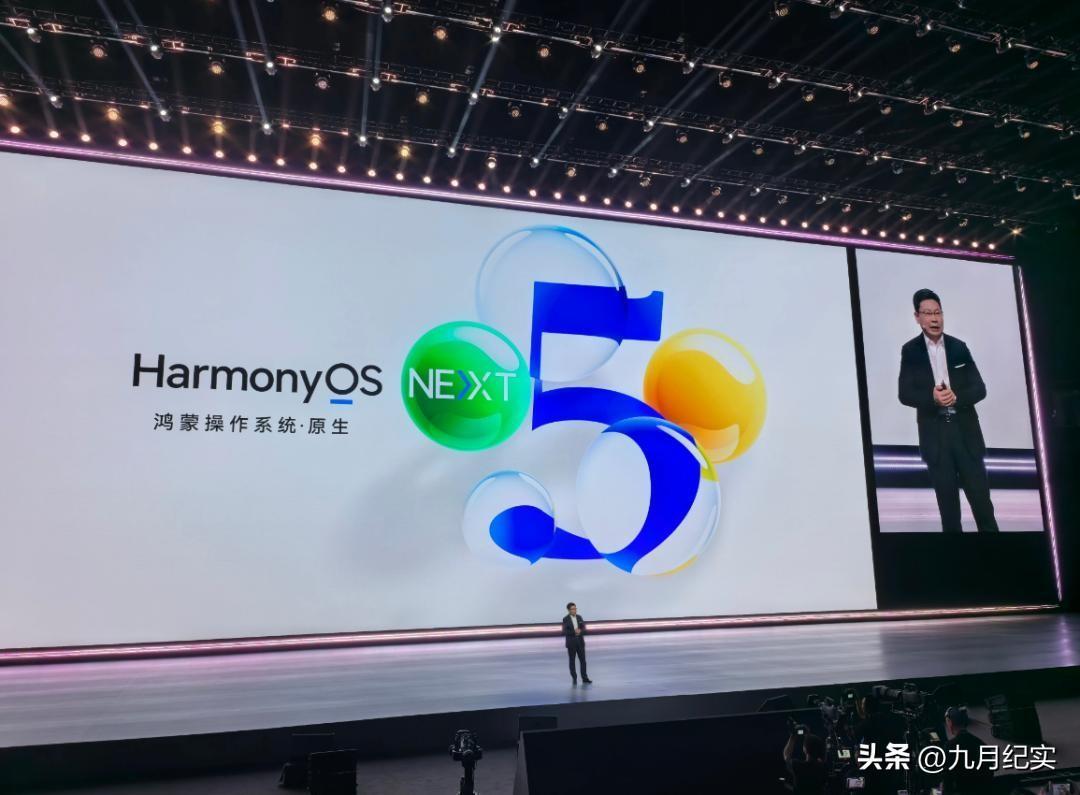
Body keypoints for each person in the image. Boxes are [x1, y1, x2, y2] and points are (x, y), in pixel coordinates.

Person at [898, 288, 999, 533]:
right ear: (917, 317)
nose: (935, 319)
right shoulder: (910, 351)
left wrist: (957, 396)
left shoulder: (958, 347)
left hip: (966, 435)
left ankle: (996, 553)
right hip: (936, 440)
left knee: (984, 510)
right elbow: (905, 394)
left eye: (938, 313)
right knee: (950, 516)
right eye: (928, 313)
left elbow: (980, 388)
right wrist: (932, 398)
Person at [940, 706, 994, 794]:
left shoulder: (950, 746)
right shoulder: (981, 744)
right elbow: (989, 774)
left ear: (950, 723)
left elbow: (947, 780)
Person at [783, 730, 827, 795]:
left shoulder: (797, 766)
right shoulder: (822, 768)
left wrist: (792, 737)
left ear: (804, 749)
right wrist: (809, 736)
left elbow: (786, 755)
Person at [561, 602, 591, 684]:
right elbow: (564, 632)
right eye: (573, 609)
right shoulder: (565, 619)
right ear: (568, 610)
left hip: (580, 642)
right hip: (571, 644)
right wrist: (574, 632)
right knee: (572, 661)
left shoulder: (579, 617)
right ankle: (574, 678)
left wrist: (580, 631)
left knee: (583, 661)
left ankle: (585, 678)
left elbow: (584, 629)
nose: (575, 610)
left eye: (575, 608)